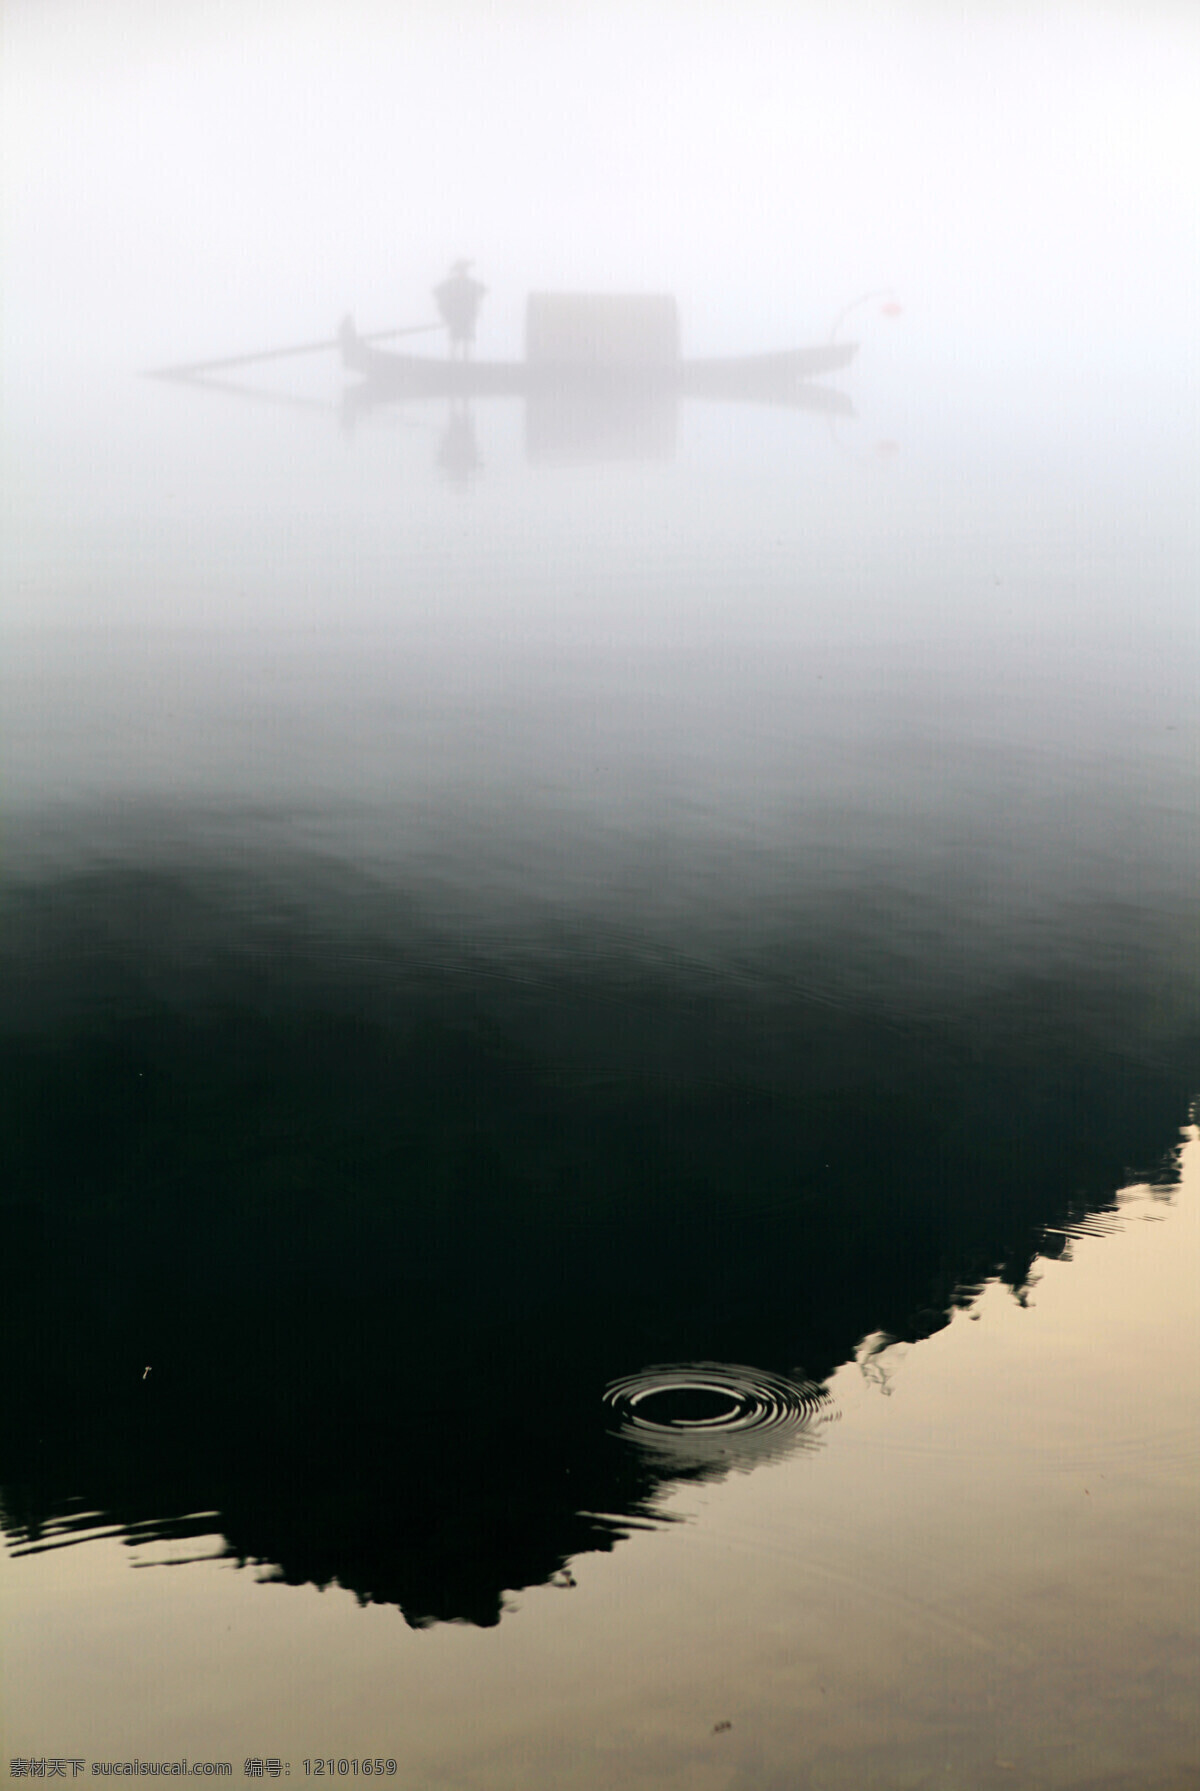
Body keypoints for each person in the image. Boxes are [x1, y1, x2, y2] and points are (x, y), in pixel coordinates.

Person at [433, 260, 487, 360]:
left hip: (466, 316)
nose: (463, 272)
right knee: (456, 339)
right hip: (456, 316)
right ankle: (454, 360)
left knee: (464, 339)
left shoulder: (468, 283)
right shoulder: (453, 283)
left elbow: (483, 290)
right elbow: (437, 291)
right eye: (461, 270)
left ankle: (464, 360)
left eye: (464, 270)